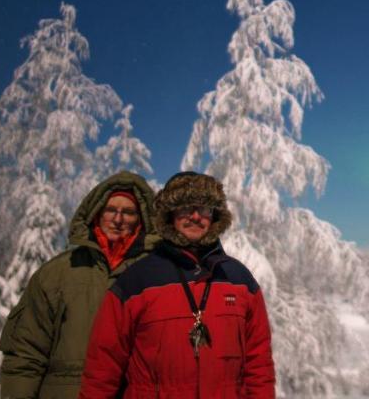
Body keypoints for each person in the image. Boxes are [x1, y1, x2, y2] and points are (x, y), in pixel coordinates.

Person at [78, 171, 275, 399]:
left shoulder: (239, 280)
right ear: (170, 214)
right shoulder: (135, 281)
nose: (195, 216)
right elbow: (102, 370)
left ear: (214, 215)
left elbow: (259, 366)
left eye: (203, 208)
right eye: (184, 207)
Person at [0, 171, 158, 399]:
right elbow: (25, 353)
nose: (118, 219)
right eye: (111, 210)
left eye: (129, 212)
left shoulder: (158, 276)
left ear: (141, 220)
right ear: (96, 213)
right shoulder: (57, 274)